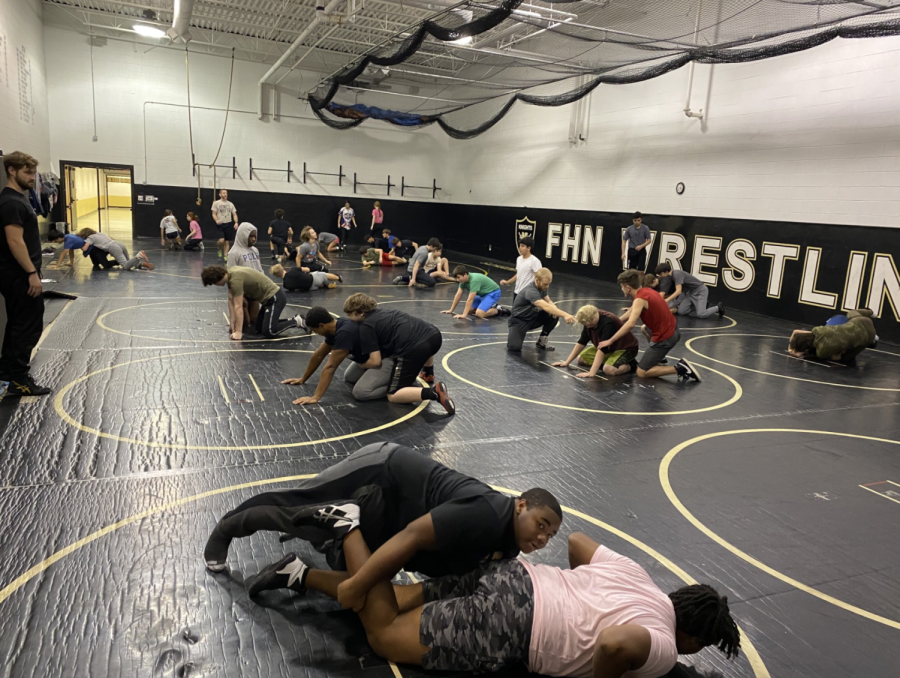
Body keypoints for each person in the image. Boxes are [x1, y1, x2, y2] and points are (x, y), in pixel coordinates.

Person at [278, 528, 740, 678]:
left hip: (514, 575)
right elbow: (617, 644)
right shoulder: (661, 646)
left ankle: (298, 574)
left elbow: (577, 542)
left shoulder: (639, 577)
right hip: (513, 624)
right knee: (382, 637)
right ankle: (350, 530)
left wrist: (579, 595)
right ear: (694, 639)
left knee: (395, 600)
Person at [203, 441, 562, 592]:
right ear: (520, 505)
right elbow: (412, 538)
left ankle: (328, 534)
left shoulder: (507, 546)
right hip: (383, 468)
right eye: (541, 525)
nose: (543, 537)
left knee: (351, 557)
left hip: (395, 511)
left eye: (550, 535)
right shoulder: (486, 513)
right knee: (299, 506)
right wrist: (356, 587)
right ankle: (228, 527)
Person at [343, 293, 455, 413]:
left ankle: (434, 393)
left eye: (350, 314)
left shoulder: (366, 326)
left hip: (413, 349)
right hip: (434, 336)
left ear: (361, 312)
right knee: (420, 341)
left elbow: (375, 362)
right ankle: (428, 373)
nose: (349, 318)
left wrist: (363, 365)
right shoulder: (383, 313)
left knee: (393, 395)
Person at [0, 151, 50, 396]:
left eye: (33, 173)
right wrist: (32, 273)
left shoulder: (18, 199)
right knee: (28, 327)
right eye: (27, 173)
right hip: (20, 276)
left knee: (17, 325)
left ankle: (7, 374)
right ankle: (19, 380)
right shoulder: (11, 202)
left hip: (17, 274)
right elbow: (14, 241)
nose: (32, 178)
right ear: (12, 170)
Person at [602, 270, 700, 382]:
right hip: (673, 330)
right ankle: (659, 357)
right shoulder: (646, 290)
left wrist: (611, 340)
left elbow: (631, 324)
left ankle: (680, 368)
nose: (621, 289)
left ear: (628, 287)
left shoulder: (639, 299)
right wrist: (618, 320)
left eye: (622, 287)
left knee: (641, 372)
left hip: (666, 337)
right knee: (644, 328)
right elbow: (633, 311)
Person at [278, 306, 385, 405]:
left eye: (315, 330)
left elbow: (330, 367)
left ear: (321, 325)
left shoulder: (345, 332)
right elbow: (319, 355)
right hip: (366, 359)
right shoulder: (334, 329)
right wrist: (303, 378)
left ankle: (395, 386)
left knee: (361, 393)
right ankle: (379, 376)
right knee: (350, 377)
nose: (316, 333)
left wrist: (315, 397)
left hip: (384, 358)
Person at [201, 264, 305, 340]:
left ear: (215, 280)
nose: (215, 286)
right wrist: (232, 323)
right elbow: (231, 300)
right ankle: (292, 319)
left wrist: (238, 332)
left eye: (213, 284)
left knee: (269, 331)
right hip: (268, 300)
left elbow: (238, 307)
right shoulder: (231, 273)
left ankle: (297, 321)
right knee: (259, 328)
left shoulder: (235, 280)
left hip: (275, 298)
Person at [552, 305, 640, 377]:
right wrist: (566, 362)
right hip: (610, 348)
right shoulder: (589, 320)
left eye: (588, 324)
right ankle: (611, 361)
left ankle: (631, 365)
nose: (588, 326)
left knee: (609, 370)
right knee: (582, 359)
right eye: (585, 325)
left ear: (594, 318)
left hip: (625, 348)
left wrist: (591, 373)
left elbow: (602, 349)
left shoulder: (608, 321)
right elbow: (582, 342)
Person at [503, 269, 574, 352]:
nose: (547, 286)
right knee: (514, 348)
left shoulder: (542, 287)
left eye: (548, 284)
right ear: (537, 280)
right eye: (545, 284)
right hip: (519, 321)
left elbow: (549, 302)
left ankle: (542, 341)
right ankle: (515, 333)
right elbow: (545, 306)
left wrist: (555, 309)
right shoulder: (530, 291)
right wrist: (565, 315)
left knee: (554, 313)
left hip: (532, 318)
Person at [788, 308, 878, 364]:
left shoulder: (821, 352)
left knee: (846, 358)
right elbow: (795, 332)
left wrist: (797, 353)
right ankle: (870, 311)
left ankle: (874, 340)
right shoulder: (818, 331)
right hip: (862, 321)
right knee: (851, 313)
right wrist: (791, 347)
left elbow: (836, 357)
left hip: (868, 337)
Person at [655, 263, 724, 319]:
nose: (660, 276)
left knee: (702, 314)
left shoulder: (677, 274)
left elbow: (678, 291)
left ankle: (718, 307)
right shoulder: (669, 276)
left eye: (661, 274)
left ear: (666, 272)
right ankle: (703, 304)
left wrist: (666, 300)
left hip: (700, 290)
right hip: (691, 292)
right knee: (681, 312)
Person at [77, 228, 154, 271]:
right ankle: (140, 264)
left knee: (126, 266)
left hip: (113, 248)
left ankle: (139, 255)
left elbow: (85, 249)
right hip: (119, 244)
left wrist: (80, 244)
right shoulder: (99, 233)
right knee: (128, 262)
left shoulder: (90, 238)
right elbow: (112, 238)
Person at [501, 236, 542, 302]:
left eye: (522, 246)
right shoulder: (519, 259)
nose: (520, 248)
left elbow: (539, 277)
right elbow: (518, 274)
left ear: (528, 248)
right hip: (517, 292)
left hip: (528, 294)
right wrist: (507, 282)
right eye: (520, 246)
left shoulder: (535, 261)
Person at [271, 263, 341, 291]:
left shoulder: (285, 285)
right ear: (283, 269)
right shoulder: (293, 270)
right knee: (323, 274)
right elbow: (307, 269)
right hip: (313, 279)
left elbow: (295, 289)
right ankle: (338, 277)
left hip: (311, 288)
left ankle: (324, 285)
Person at [211, 189, 238, 259]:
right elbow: (213, 214)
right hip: (220, 224)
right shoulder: (216, 203)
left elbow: (234, 214)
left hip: (228, 223)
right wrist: (216, 220)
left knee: (227, 241)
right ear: (220, 194)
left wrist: (236, 222)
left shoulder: (230, 204)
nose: (225, 194)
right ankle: (220, 248)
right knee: (221, 240)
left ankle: (226, 255)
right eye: (223, 193)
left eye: (226, 193)